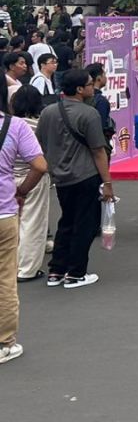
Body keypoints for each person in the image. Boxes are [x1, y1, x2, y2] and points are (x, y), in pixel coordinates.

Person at [36, 68, 114, 289]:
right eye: (89, 84)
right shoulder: (89, 114)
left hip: (61, 177)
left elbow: (40, 142)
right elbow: (98, 151)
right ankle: (76, 273)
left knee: (67, 221)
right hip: (86, 175)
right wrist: (107, 182)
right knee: (85, 225)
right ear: (80, 89)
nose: (92, 87)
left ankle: (56, 270)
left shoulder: (48, 112)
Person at [1, 84, 48, 363]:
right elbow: (40, 165)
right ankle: (4, 342)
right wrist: (22, 191)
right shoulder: (17, 126)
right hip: (5, 209)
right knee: (5, 279)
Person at [10, 87, 52, 283]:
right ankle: (27, 269)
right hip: (33, 178)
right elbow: (43, 160)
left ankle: (10, 264)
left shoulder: (8, 125)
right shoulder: (38, 126)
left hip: (8, 178)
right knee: (33, 223)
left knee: (11, 223)